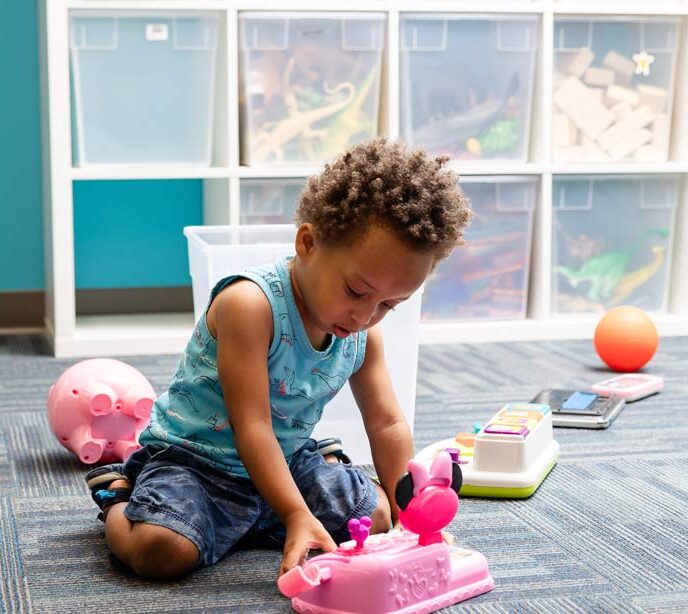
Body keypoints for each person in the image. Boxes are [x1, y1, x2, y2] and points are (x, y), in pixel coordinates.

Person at [85, 137, 472, 580]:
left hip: (286, 459)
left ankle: (279, 500)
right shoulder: (249, 306)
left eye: (388, 305)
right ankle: (120, 496)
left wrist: (412, 518)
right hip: (197, 463)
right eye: (357, 291)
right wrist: (294, 514)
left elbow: (386, 423)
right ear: (308, 242)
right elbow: (253, 424)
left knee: (378, 517)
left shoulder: (365, 332)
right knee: (162, 550)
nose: (366, 316)